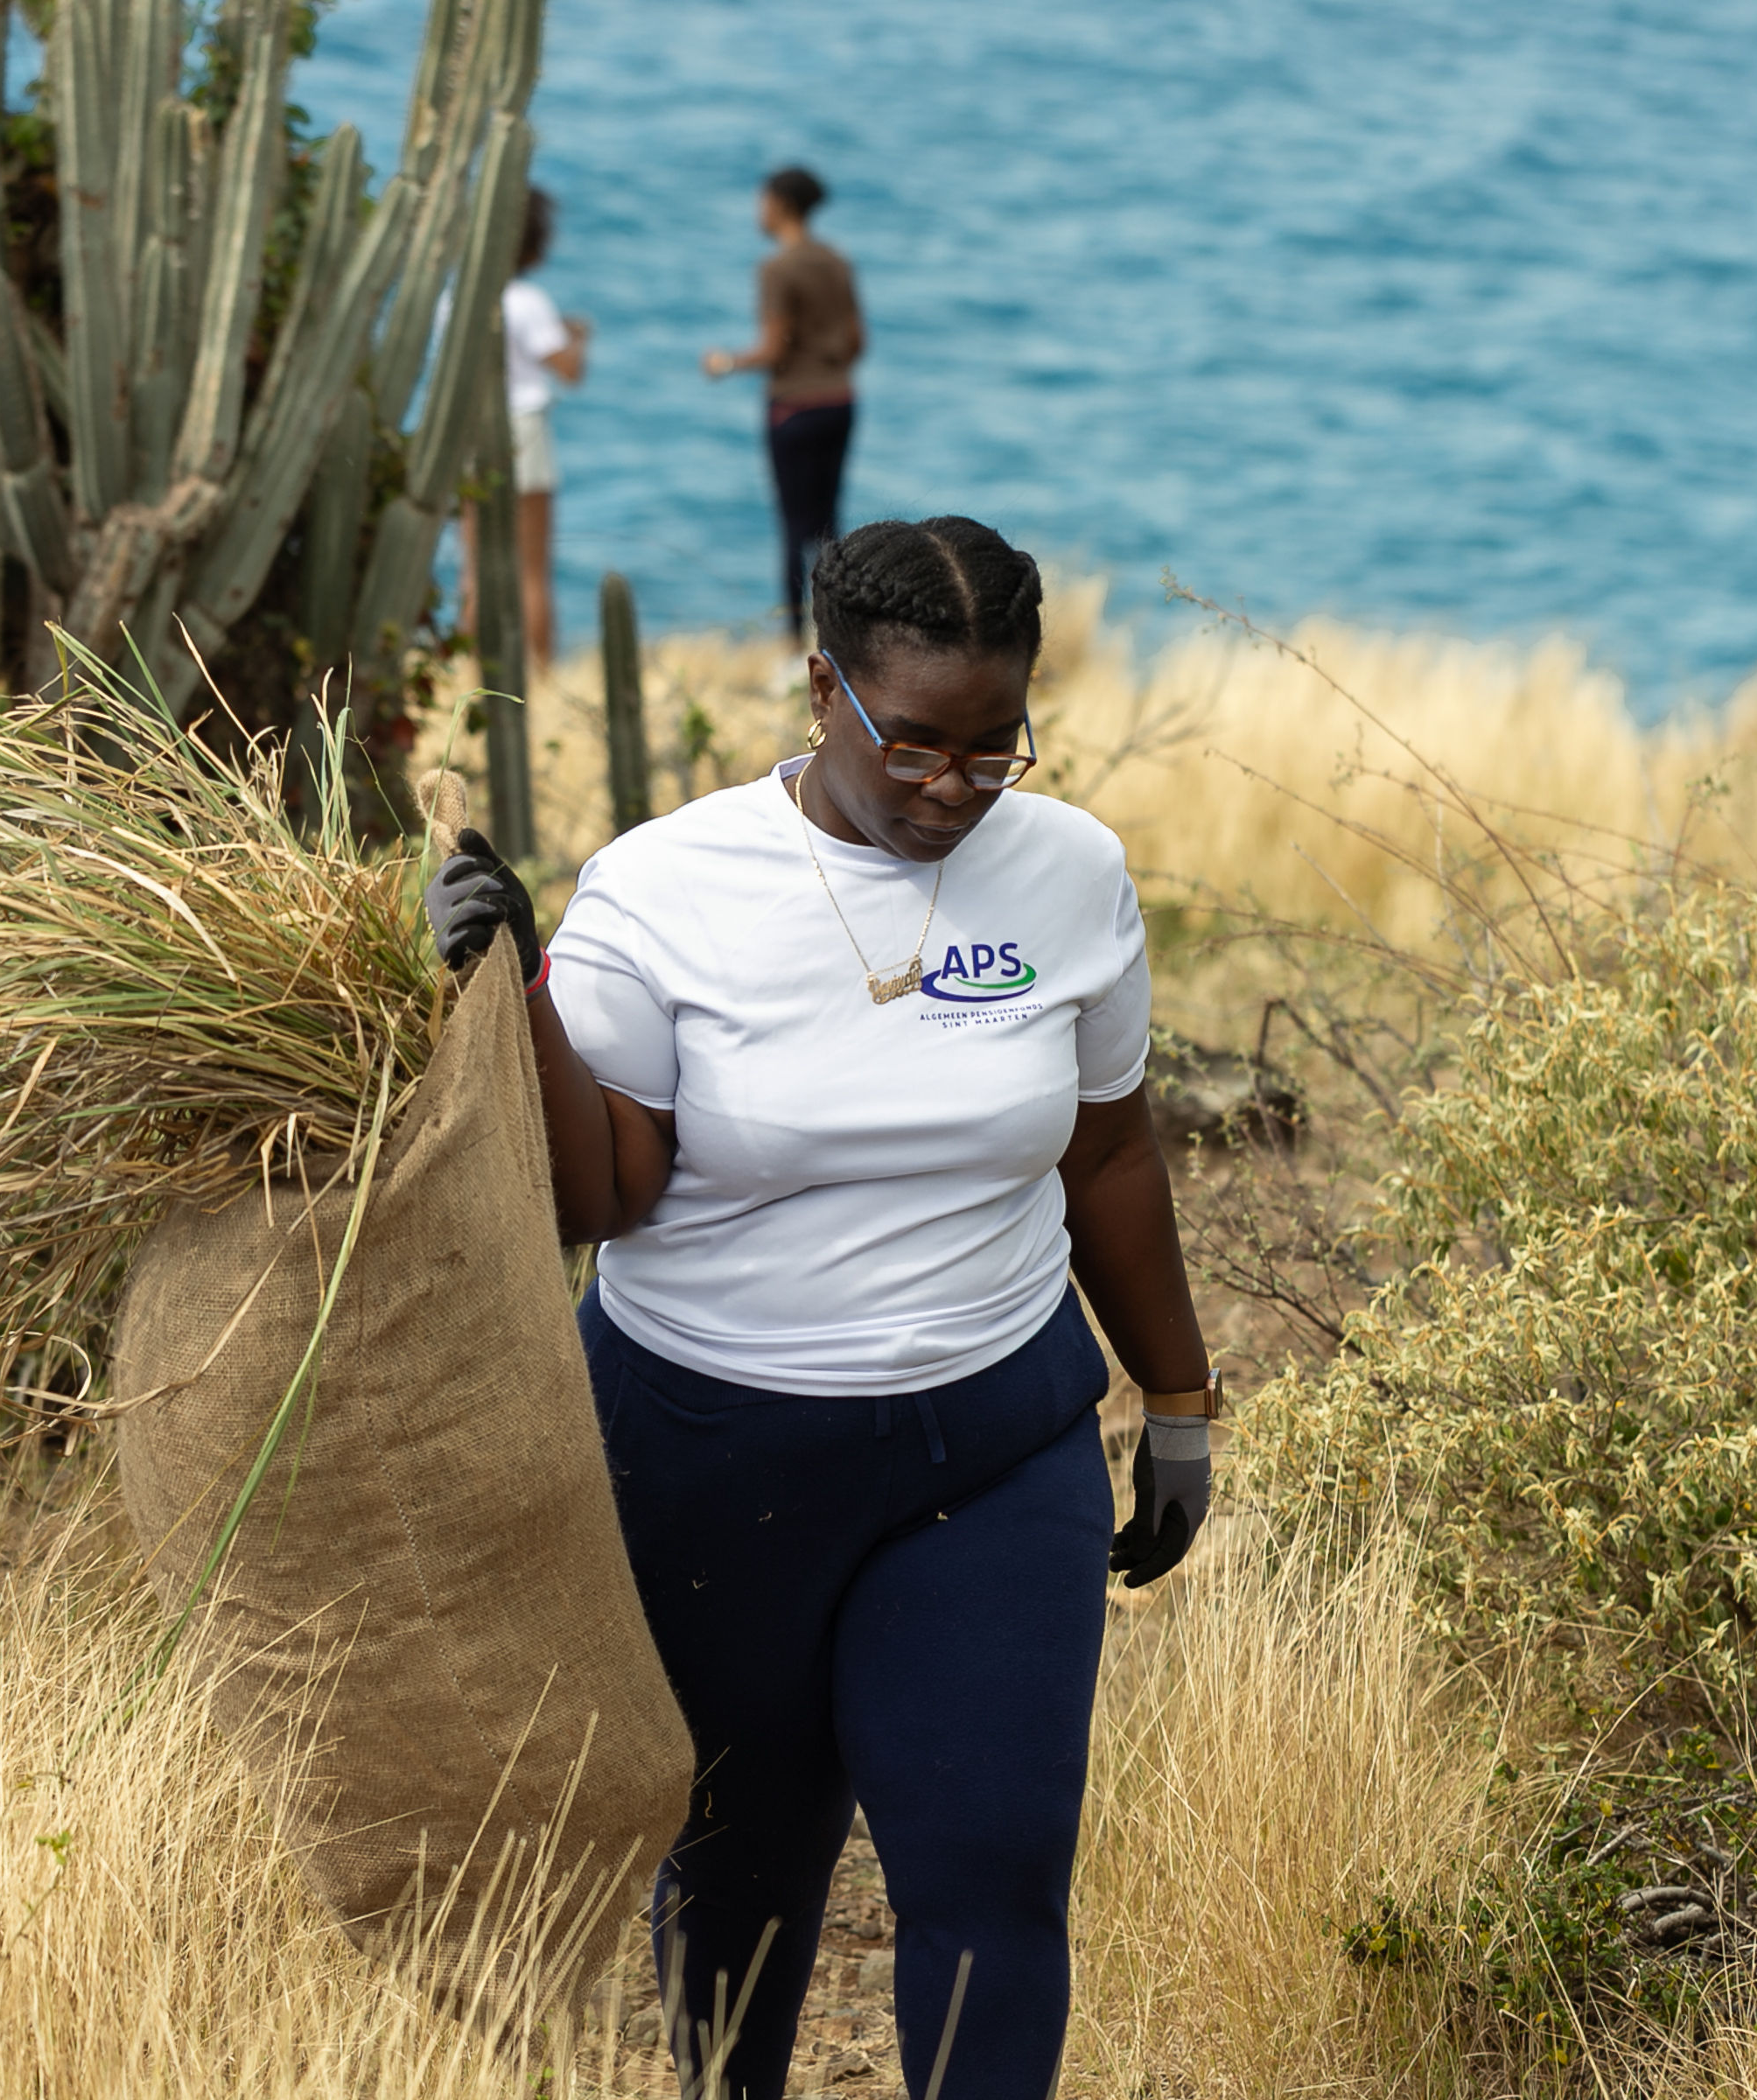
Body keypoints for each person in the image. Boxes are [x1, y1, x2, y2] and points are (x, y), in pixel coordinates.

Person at [424, 516, 1218, 2100]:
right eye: (912, 742)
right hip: (711, 1455)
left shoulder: (1068, 873)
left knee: (992, 1886)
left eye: (995, 750)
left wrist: (1179, 1403)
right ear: (819, 690)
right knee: (740, 1894)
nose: (951, 786)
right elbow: (605, 1198)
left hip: (995, 1447)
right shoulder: (665, 889)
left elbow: (1111, 1150)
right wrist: (515, 994)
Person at [704, 165, 864, 640]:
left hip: (793, 405)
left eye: (763, 200)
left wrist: (726, 363)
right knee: (830, 523)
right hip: (839, 399)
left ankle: (793, 642)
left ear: (780, 205)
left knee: (793, 527)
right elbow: (857, 341)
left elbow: (772, 350)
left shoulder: (777, 269)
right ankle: (840, 632)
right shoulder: (836, 261)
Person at [466, 186, 590, 665]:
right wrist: (577, 337)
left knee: (476, 568)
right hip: (524, 430)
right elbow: (569, 370)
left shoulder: (461, 296)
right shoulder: (528, 301)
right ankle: (539, 671)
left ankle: (470, 666)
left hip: (472, 432)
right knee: (532, 569)